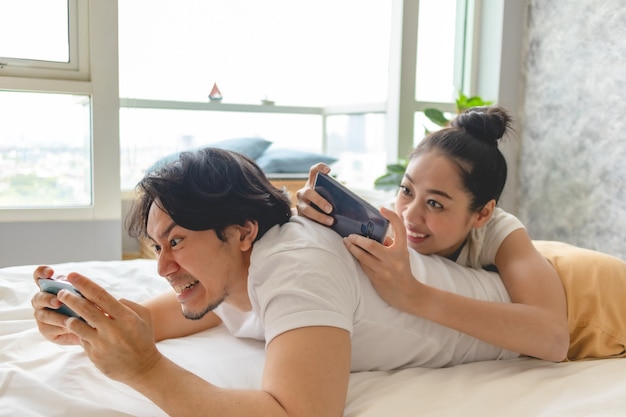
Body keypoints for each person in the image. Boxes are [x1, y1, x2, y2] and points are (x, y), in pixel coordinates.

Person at [32, 147, 520, 417]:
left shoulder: (295, 268)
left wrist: (144, 371)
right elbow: (157, 319)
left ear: (241, 232)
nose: (163, 267)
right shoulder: (231, 265)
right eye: (158, 248)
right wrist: (85, 318)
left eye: (177, 242)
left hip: (507, 330)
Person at [296, 106, 626, 361]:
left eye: (436, 204)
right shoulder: (394, 216)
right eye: (406, 190)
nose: (410, 214)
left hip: (598, 293)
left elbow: (554, 340)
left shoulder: (502, 232)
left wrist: (413, 295)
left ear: (482, 213)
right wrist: (310, 210)